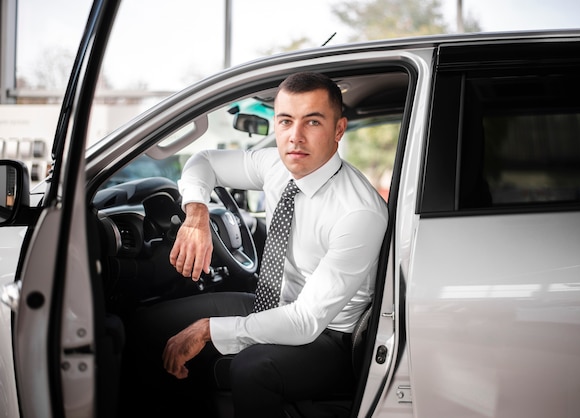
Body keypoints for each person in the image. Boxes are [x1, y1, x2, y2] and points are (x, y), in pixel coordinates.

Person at [121, 72, 388, 418]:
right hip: (272, 305)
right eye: (286, 121)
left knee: (252, 369)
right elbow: (203, 162)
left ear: (338, 130)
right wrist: (197, 213)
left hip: (329, 336)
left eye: (313, 122)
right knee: (148, 327)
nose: (295, 137)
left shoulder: (358, 212)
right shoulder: (276, 165)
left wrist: (208, 330)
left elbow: (306, 320)